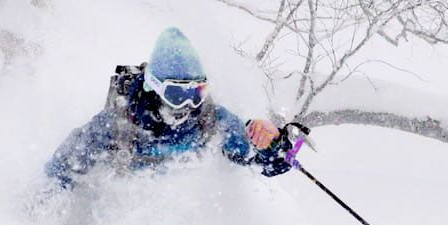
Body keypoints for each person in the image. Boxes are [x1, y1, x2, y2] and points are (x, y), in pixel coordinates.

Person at [43, 27, 291, 197]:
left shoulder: (210, 120)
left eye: (196, 93)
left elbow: (258, 161)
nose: (187, 106)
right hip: (120, 202)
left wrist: (273, 145)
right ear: (154, 88)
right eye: (176, 94)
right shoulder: (118, 124)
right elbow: (63, 165)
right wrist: (48, 201)